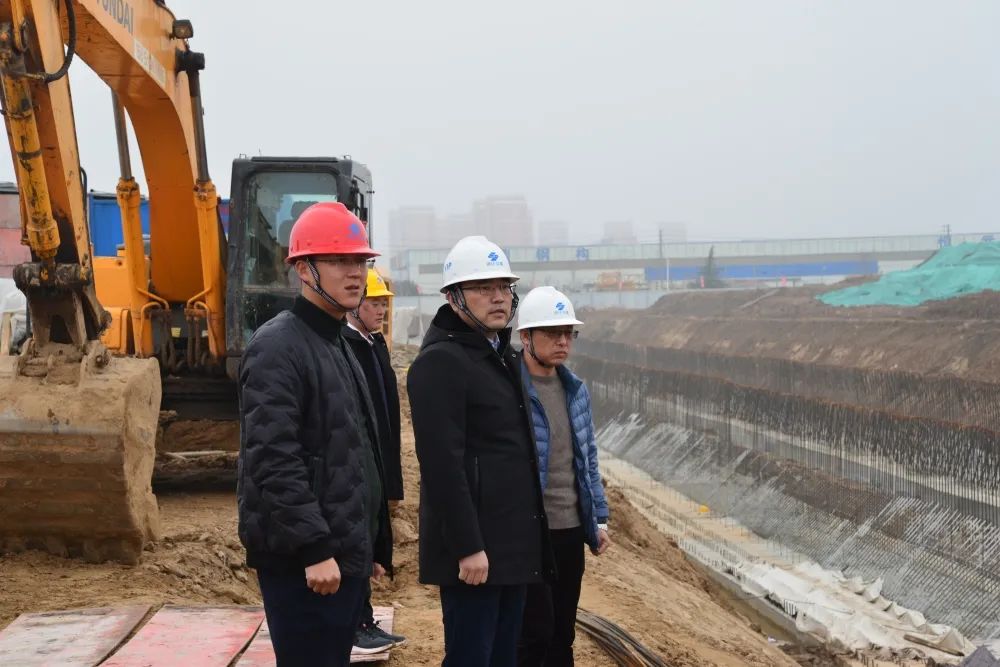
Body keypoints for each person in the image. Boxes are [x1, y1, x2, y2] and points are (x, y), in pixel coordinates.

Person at [236, 202, 393, 667]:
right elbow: (273, 459)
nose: (356, 273)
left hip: (339, 555)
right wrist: (314, 549)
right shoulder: (277, 347)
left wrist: (372, 542)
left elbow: (355, 452)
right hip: (304, 562)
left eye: (360, 261)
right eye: (339, 260)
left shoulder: (338, 342)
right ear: (304, 269)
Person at [407, 236, 554, 667]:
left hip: (510, 547)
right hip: (476, 553)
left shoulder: (499, 355)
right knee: (472, 657)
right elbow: (442, 467)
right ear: (454, 298)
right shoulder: (440, 364)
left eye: (504, 287)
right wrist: (467, 546)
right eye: (483, 288)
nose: (498, 298)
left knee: (503, 657)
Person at [515, 287, 611, 667]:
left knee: (562, 634)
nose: (562, 342)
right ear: (525, 336)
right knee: (533, 634)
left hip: (570, 531)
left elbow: (588, 459)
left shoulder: (575, 390)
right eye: (552, 333)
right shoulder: (510, 389)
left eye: (568, 333)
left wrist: (598, 519)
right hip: (530, 535)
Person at [343, 267, 407, 654]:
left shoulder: (373, 344)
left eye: (384, 302)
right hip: (361, 463)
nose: (381, 309)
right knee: (358, 541)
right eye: (374, 302)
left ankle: (363, 619)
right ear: (355, 305)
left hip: (379, 460)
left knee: (371, 541)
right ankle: (356, 625)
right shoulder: (347, 347)